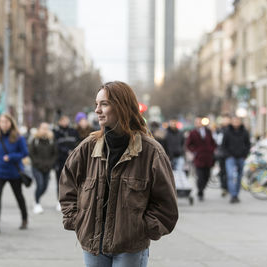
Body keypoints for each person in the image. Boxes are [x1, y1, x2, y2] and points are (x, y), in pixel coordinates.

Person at [59, 81, 178, 267]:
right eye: (96, 104)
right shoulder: (88, 147)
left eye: (104, 104)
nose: (97, 110)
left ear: (122, 106)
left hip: (129, 247)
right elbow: (67, 183)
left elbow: (166, 204)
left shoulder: (150, 152)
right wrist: (77, 219)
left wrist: (143, 229)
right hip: (93, 244)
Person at [0, 114, 29, 233]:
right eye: (1, 122)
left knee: (19, 196)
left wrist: (11, 157)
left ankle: (24, 219)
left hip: (14, 173)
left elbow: (24, 153)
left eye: (6, 122)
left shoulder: (18, 138)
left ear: (11, 123)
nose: (3, 124)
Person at [29, 122, 57, 214]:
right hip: (37, 167)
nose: (45, 130)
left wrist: (50, 164)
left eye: (46, 128)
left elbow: (55, 153)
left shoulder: (51, 140)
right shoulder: (35, 140)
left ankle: (37, 198)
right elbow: (32, 153)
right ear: (39, 129)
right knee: (40, 184)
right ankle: (37, 203)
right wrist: (38, 163)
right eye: (43, 128)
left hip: (47, 167)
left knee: (45, 187)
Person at [186, 117, 216, 201]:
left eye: (200, 122)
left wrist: (212, 149)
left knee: (207, 175)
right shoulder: (192, 133)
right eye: (197, 122)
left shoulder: (208, 131)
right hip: (199, 158)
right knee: (200, 176)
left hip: (208, 157)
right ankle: (200, 191)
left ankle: (202, 188)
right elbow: (188, 145)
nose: (199, 123)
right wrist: (194, 151)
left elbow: (213, 142)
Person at [222, 116, 251, 203]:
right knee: (231, 176)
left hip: (241, 157)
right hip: (230, 157)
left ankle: (236, 194)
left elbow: (248, 144)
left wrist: (245, 154)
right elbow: (223, 145)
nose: (236, 122)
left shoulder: (244, 132)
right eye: (234, 121)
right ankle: (233, 195)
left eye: (237, 121)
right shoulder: (227, 131)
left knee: (239, 177)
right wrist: (228, 155)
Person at [53, 115, 79, 211]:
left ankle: (72, 201)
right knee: (60, 182)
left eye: (66, 120)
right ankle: (59, 201)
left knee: (72, 182)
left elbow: (77, 142)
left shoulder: (73, 131)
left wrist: (73, 151)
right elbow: (56, 146)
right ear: (59, 122)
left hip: (72, 160)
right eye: (63, 121)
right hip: (60, 161)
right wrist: (66, 151)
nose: (65, 122)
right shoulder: (56, 132)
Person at [214, 115, 231, 197]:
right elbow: (217, 141)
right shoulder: (219, 130)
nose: (225, 121)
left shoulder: (231, 129)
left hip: (230, 154)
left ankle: (227, 187)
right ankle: (224, 187)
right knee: (223, 171)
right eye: (224, 120)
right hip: (221, 154)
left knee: (229, 172)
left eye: (227, 119)